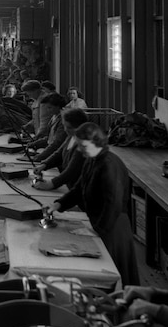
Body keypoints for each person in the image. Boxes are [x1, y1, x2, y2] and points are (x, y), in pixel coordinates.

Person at [45, 122, 140, 286]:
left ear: (96, 142)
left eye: (83, 145)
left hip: (113, 226)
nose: (79, 150)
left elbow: (113, 204)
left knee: (112, 274)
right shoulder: (92, 159)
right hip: (101, 221)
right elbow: (79, 188)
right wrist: (58, 205)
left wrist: (97, 231)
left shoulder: (109, 165)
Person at [32, 108, 88, 191]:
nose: (65, 129)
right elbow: (59, 154)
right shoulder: (71, 136)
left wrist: (51, 184)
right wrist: (45, 165)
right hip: (71, 185)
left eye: (69, 127)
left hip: (80, 189)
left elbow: (71, 171)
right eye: (65, 126)